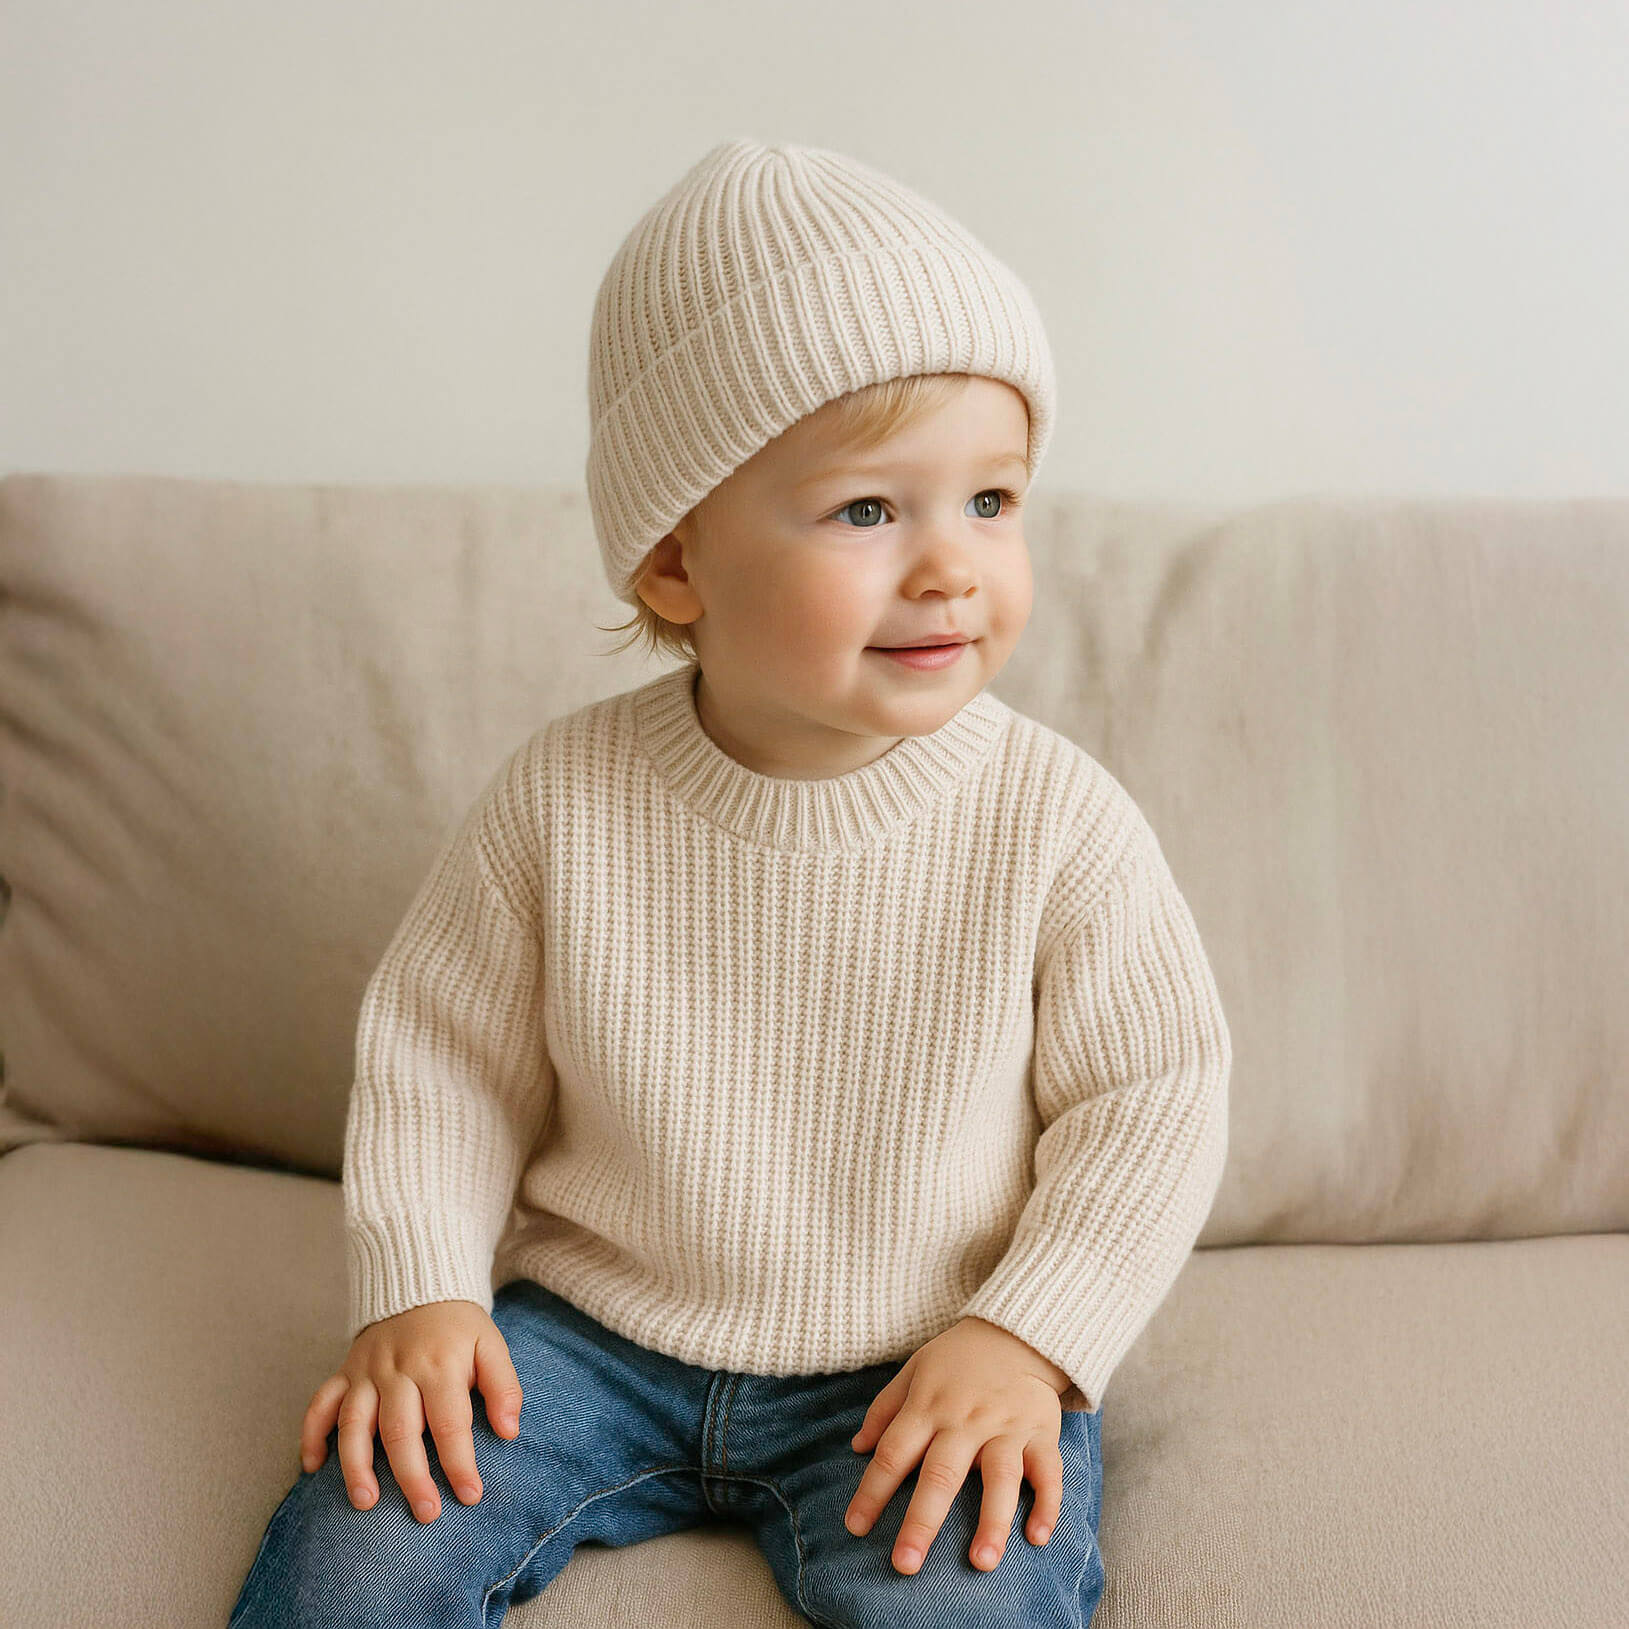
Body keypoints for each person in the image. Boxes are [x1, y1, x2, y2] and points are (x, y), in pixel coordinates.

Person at [228, 136, 1231, 1629]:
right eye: (870, 512)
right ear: (677, 561)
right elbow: (440, 1063)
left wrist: (1027, 1338)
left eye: (992, 500)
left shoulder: (1053, 819)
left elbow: (1154, 1093)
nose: (951, 566)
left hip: (920, 1354)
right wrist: (422, 1288)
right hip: (587, 1334)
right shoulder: (559, 802)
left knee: (959, 1595)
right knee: (365, 1541)